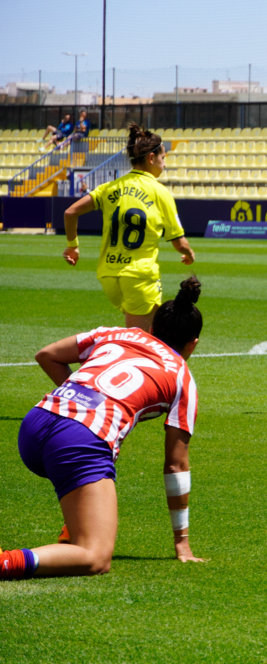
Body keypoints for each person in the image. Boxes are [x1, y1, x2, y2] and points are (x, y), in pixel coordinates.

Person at [1, 277, 206, 581]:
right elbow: (176, 464)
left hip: (36, 422)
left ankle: (74, 529)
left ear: (152, 328)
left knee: (107, 449)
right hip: (76, 442)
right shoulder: (182, 377)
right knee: (95, 557)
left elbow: (47, 355)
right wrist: (182, 543)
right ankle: (6, 562)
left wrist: (85, 403)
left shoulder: (118, 332)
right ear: (193, 344)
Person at [62, 123, 196, 331]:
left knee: (150, 335)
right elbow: (179, 243)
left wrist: (73, 246)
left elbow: (70, 213)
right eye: (163, 158)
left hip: (108, 275)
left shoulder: (109, 187)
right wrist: (189, 254)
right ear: (151, 158)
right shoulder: (160, 192)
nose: (164, 164)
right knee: (142, 342)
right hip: (138, 276)